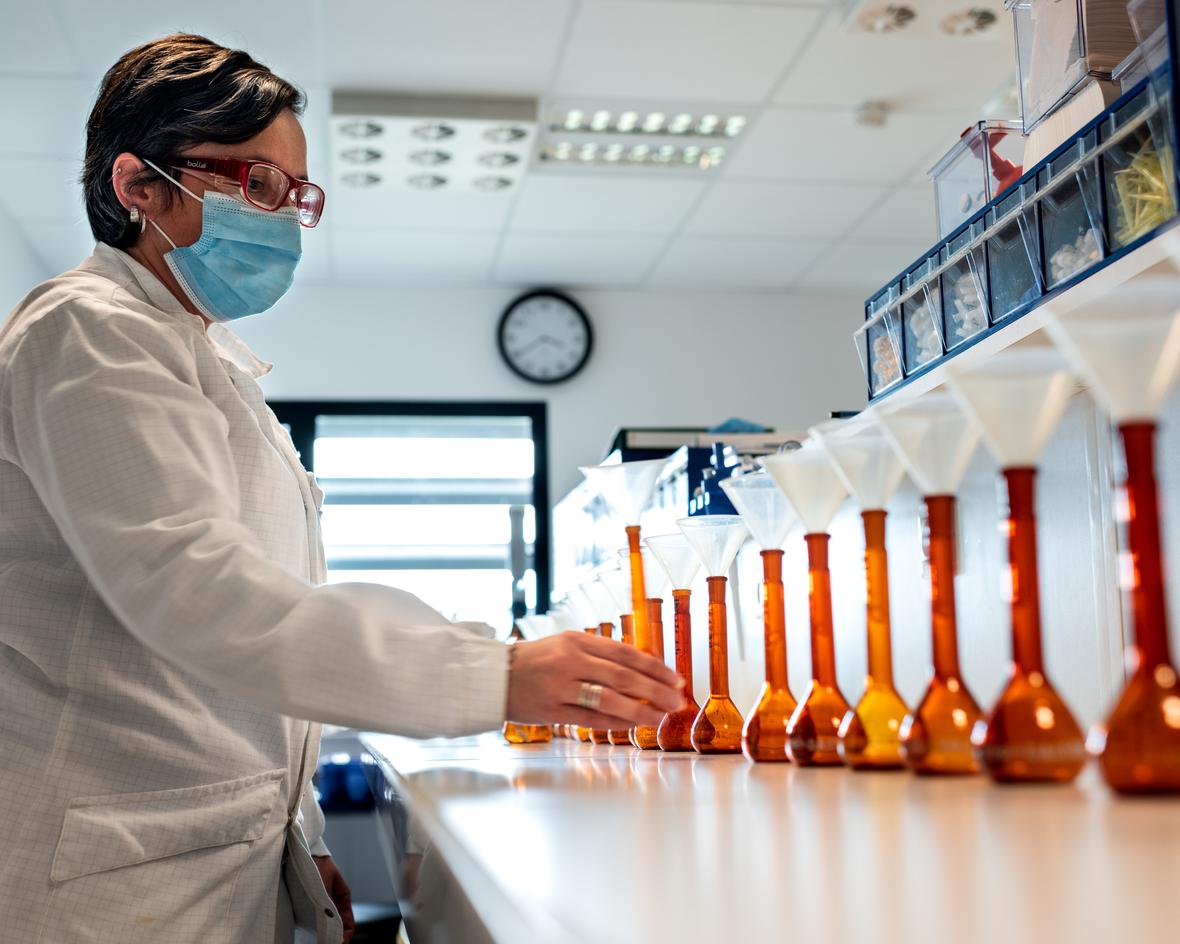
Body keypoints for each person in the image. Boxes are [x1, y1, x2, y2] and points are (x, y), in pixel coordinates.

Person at [0, 34, 684, 944]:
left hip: (192, 862)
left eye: (293, 195)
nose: (280, 220)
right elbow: (202, 598)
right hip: (106, 884)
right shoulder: (91, 330)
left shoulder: (199, 356)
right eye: (255, 185)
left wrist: (299, 836)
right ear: (138, 187)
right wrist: (495, 675)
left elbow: (252, 638)